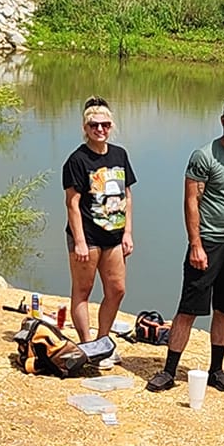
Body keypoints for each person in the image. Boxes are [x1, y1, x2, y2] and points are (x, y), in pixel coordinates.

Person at [146, 97, 224, 395]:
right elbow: (191, 201)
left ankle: (217, 370)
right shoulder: (204, 156)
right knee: (188, 310)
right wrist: (195, 244)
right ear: (223, 120)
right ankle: (169, 371)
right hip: (207, 244)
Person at [61, 98, 135, 343]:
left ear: (111, 125)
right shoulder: (77, 160)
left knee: (117, 289)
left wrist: (127, 233)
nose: (100, 130)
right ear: (85, 128)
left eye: (105, 125)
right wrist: (79, 241)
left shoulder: (119, 154)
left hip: (114, 234)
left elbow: (127, 195)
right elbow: (72, 203)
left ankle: (103, 341)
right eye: (94, 125)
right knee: (83, 291)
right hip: (88, 235)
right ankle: (86, 343)